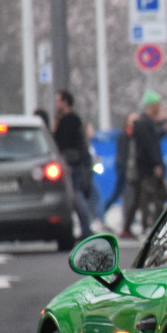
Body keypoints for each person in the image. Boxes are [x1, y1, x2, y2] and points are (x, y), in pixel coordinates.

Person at [53, 90, 95, 242]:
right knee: (77, 196)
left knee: (76, 195)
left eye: (58, 101)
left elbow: (61, 142)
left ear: (64, 102)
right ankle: (85, 228)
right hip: (75, 162)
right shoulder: (69, 119)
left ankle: (86, 229)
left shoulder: (69, 120)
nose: (56, 104)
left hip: (72, 163)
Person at [126, 89, 167, 234]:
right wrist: (156, 164)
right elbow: (149, 146)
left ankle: (151, 225)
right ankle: (149, 227)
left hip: (148, 168)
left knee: (151, 197)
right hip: (148, 170)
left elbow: (153, 142)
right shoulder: (144, 124)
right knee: (149, 198)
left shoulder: (147, 123)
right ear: (152, 105)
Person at [105, 113, 138, 236]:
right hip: (124, 172)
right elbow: (122, 156)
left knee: (129, 197)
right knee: (121, 195)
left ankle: (128, 222)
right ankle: (104, 214)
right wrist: (122, 170)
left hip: (129, 171)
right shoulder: (124, 136)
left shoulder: (133, 136)